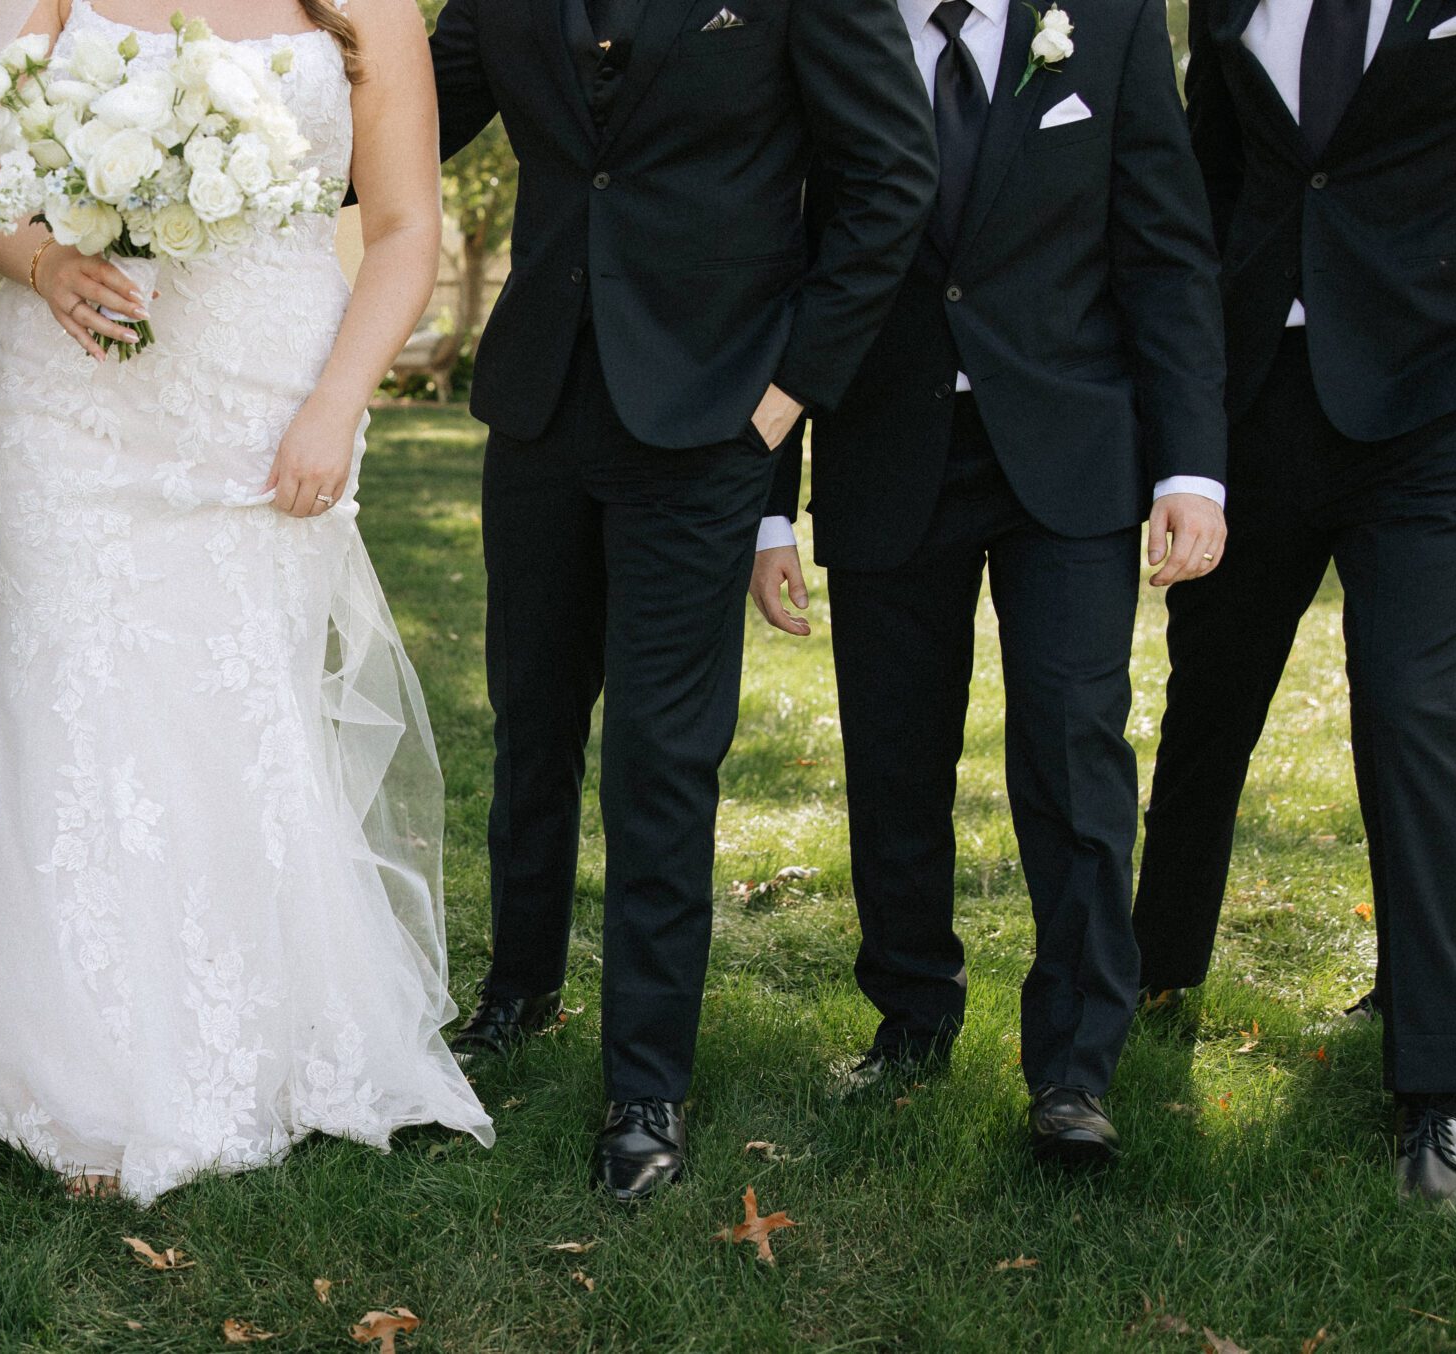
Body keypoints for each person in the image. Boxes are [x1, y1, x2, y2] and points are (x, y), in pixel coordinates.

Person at [0, 0, 494, 1203]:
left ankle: (255, 1024)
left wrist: (336, 405)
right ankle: (80, 1055)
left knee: (238, 702)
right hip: (73, 390)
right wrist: (43, 259)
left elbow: (406, 228)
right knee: (77, 694)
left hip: (267, 390)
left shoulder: (367, 11)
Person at [431, 0, 937, 1196]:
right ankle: (518, 989)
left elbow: (890, 178)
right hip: (543, 397)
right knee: (532, 719)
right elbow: (406, 124)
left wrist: (787, 393)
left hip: (710, 417)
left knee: (662, 754)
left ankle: (645, 1081)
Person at [747, 0, 1227, 1166]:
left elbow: (1164, 248)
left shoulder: (1105, 24)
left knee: (1075, 742)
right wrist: (769, 501)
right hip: (882, 444)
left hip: (1069, 454)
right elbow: (787, 259)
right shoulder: (825, 27)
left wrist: (1191, 468)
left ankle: (1073, 1064)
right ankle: (911, 1014)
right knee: (895, 750)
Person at [1130, 0, 1456, 1204]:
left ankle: (1434, 1090)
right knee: (1212, 700)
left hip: (1440, 403)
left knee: (1413, 713)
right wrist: (1184, 424)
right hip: (1256, 407)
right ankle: (1155, 966)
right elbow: (1202, 190)